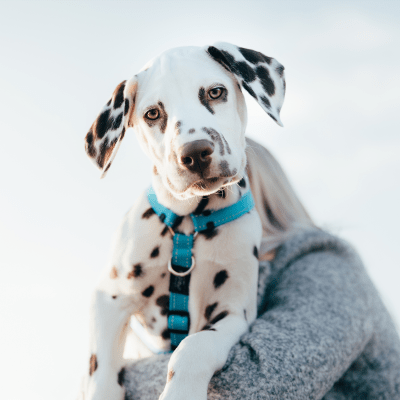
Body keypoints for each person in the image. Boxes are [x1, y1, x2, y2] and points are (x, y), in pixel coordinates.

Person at [120, 138, 400, 399]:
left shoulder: (327, 265)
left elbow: (254, 384)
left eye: (211, 195)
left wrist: (110, 377)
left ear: (254, 192)